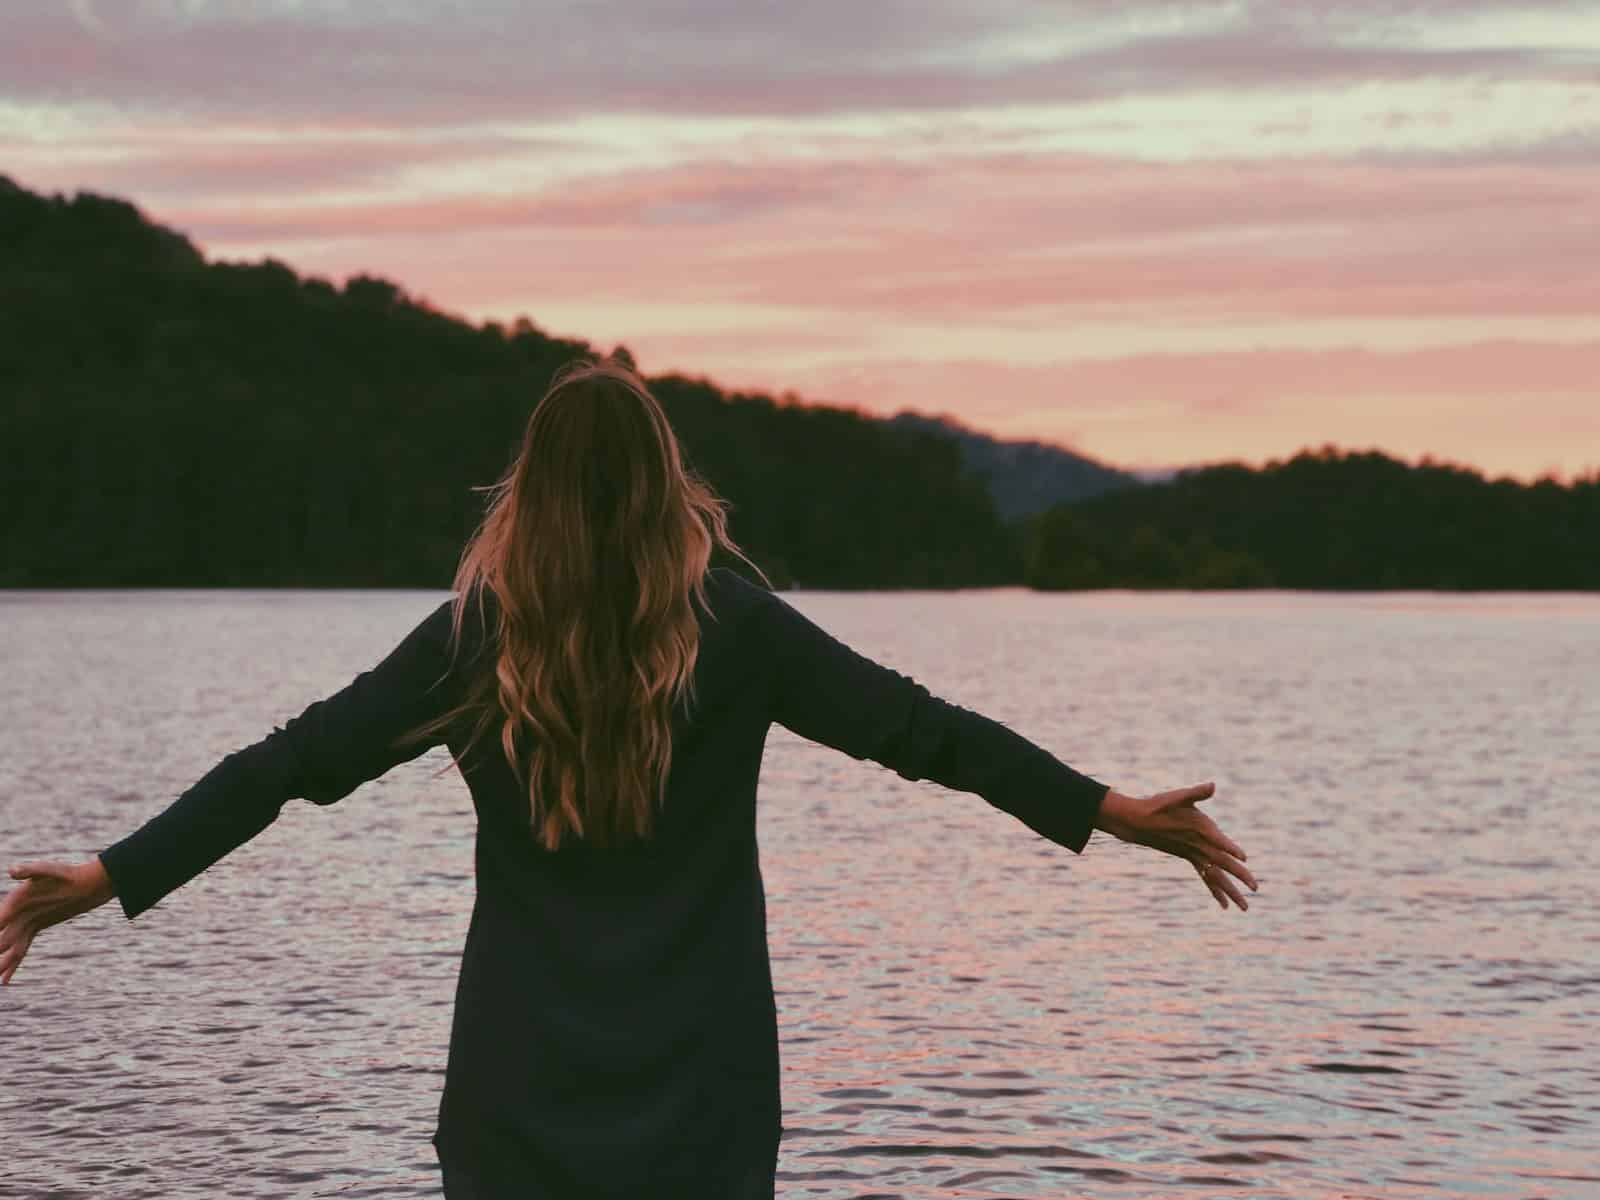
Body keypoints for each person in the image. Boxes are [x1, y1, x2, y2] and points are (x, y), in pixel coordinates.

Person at [0, 353, 1258, 1198]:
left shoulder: (473, 641)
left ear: (530, 489)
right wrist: (1105, 809)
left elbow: (281, 767)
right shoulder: (737, 627)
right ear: (667, 480)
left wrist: (105, 879)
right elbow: (925, 731)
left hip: (515, 1092)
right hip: (700, 1092)